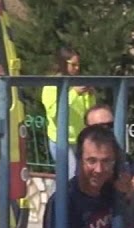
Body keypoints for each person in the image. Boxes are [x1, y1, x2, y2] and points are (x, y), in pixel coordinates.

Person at [40, 47, 93, 179]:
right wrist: (74, 93)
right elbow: (54, 113)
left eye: (78, 65)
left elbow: (88, 112)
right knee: (71, 176)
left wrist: (90, 95)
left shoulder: (78, 83)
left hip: (79, 140)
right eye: (73, 65)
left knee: (79, 177)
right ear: (63, 63)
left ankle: (58, 193)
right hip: (61, 141)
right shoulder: (51, 85)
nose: (77, 68)